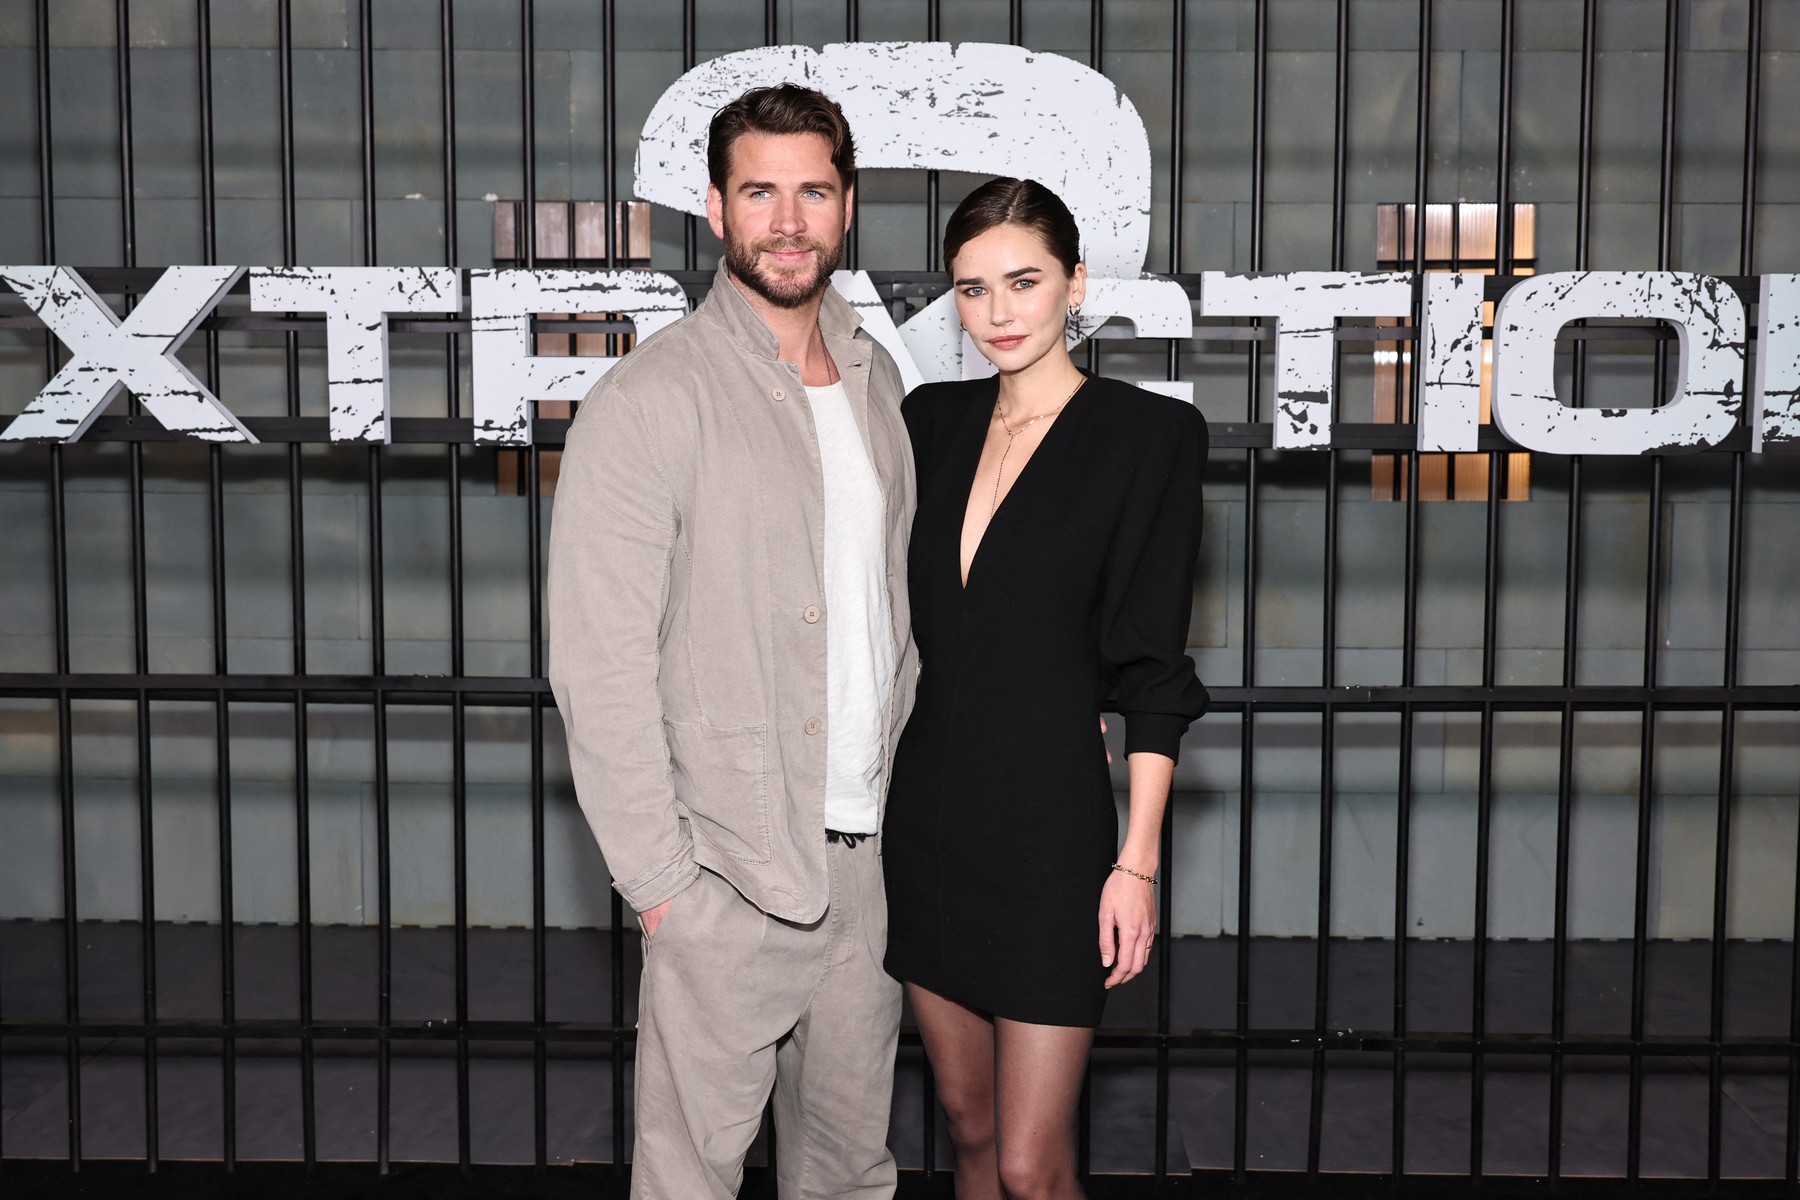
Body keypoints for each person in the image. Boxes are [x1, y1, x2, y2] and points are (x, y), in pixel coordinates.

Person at [546, 84, 916, 1200]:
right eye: (760, 193)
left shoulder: (880, 384)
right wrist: (665, 886)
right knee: (690, 1185)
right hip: (725, 874)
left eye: (813, 192)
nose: (788, 221)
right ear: (715, 208)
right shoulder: (648, 398)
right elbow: (598, 663)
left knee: (849, 1177)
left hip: (868, 870)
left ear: (846, 206)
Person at [882, 177, 1208, 1200]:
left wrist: (1136, 865)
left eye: (1023, 282)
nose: (998, 313)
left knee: (1030, 1164)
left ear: (1076, 282)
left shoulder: (1147, 436)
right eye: (972, 289)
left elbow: (1153, 669)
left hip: (1051, 835)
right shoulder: (928, 423)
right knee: (968, 1125)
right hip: (928, 821)